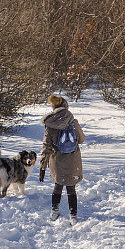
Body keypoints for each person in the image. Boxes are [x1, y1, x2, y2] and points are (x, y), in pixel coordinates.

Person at [39, 94, 86, 225]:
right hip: (73, 160)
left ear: (53, 107)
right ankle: (73, 215)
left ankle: (54, 211)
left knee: (58, 186)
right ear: (65, 106)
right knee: (71, 188)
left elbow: (46, 146)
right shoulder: (73, 121)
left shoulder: (50, 124)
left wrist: (42, 166)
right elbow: (81, 139)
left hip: (57, 160)